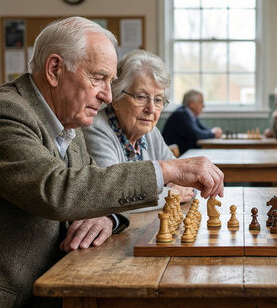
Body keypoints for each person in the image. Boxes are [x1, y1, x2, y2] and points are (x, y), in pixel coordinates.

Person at [0, 16, 224, 308]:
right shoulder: (2, 114)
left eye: (109, 80)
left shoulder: (66, 125)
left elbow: (93, 187)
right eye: (99, 78)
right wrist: (168, 169)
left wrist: (107, 216)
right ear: (54, 69)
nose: (106, 95)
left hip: (40, 288)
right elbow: (57, 191)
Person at [83, 50, 195, 202]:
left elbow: (183, 180)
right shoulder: (96, 129)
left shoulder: (151, 132)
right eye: (141, 97)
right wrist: (169, 195)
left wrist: (175, 187)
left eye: (158, 100)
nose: (151, 109)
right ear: (116, 98)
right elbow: (113, 195)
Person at [161, 89, 222, 155]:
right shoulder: (181, 115)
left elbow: (202, 129)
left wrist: (213, 131)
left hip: (186, 153)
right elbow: (196, 135)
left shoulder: (190, 114)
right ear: (191, 104)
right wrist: (213, 134)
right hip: (177, 156)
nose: (203, 106)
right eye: (201, 102)